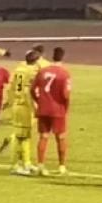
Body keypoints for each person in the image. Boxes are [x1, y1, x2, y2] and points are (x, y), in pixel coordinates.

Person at [32, 47, 71, 176]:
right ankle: (61, 167)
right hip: (58, 109)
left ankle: (41, 166)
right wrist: (65, 108)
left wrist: (39, 101)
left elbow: (32, 89)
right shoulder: (64, 73)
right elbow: (66, 94)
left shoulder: (43, 71)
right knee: (60, 137)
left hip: (43, 108)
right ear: (63, 57)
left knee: (43, 136)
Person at [4, 50, 41, 175]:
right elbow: (28, 92)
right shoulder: (32, 72)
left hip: (16, 104)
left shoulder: (19, 69)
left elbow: (11, 87)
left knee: (26, 136)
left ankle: (27, 163)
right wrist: (35, 108)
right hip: (24, 106)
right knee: (20, 136)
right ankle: (14, 166)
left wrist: (8, 101)